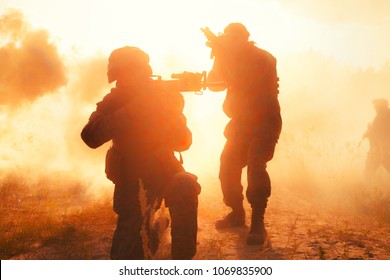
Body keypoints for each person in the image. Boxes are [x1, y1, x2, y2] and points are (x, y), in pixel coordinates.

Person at [81, 46, 201, 259]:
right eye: (123, 76)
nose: (127, 80)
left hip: (165, 172)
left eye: (133, 74)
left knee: (186, 184)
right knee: (128, 255)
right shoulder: (113, 102)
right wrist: (132, 111)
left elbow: (184, 143)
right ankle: (153, 229)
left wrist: (171, 113)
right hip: (132, 181)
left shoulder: (160, 99)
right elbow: (90, 137)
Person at [205, 23, 282, 245]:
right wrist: (219, 58)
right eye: (228, 38)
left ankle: (258, 223)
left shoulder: (263, 58)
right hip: (241, 123)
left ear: (245, 39)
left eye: (234, 38)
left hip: (264, 121)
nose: (231, 42)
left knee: (256, 165)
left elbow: (245, 81)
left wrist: (225, 53)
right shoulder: (227, 56)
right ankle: (237, 213)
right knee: (227, 165)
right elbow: (215, 85)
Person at [363, 98, 390, 178]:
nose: (375, 109)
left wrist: (369, 132)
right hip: (382, 149)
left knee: (368, 172)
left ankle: (369, 189)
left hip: (379, 149)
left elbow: (377, 132)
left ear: (381, 107)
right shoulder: (383, 116)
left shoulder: (382, 117)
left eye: (376, 107)